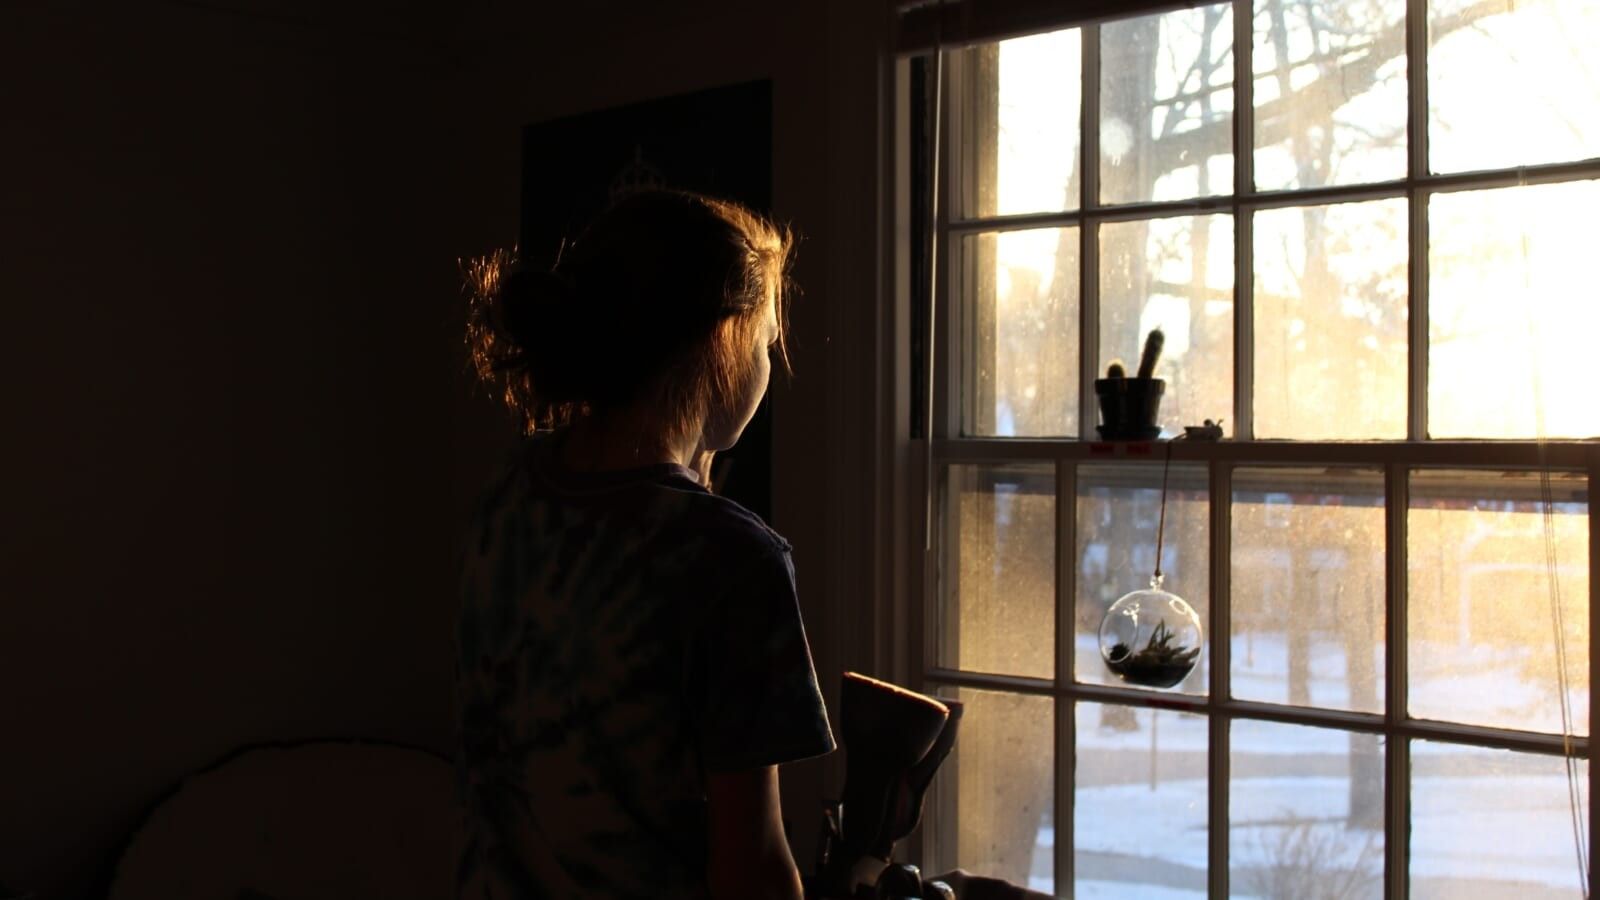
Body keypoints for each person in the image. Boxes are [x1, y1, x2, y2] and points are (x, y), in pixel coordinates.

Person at [454, 189, 834, 900]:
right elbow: (752, 869)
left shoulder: (508, 494)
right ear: (723, 340)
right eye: (767, 340)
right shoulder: (730, 560)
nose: (769, 364)